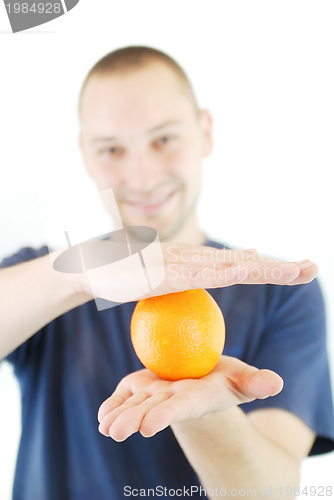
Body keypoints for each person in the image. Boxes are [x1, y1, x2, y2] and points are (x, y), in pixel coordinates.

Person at [0, 46, 333, 500]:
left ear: (205, 131)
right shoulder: (43, 277)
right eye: (112, 148)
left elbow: (270, 491)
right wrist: (76, 275)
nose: (142, 176)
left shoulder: (279, 295)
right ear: (85, 154)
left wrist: (207, 413)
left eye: (163, 140)